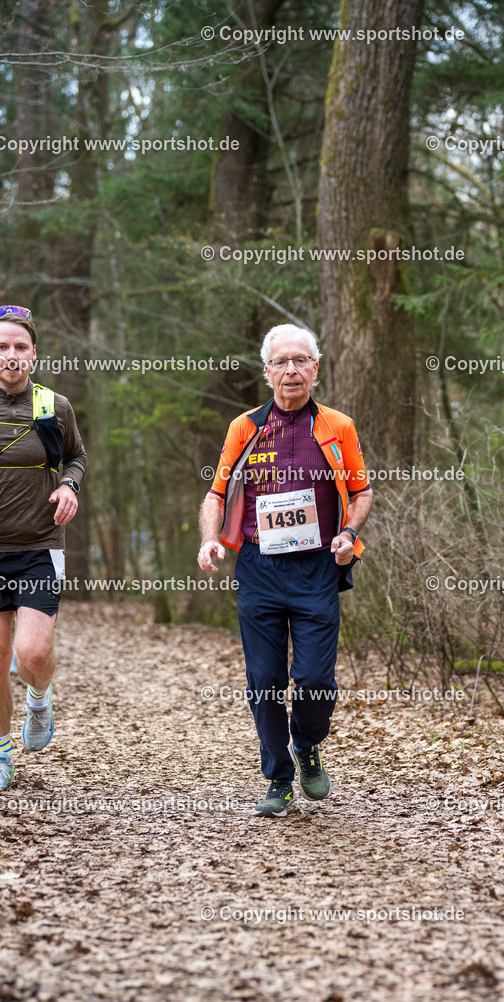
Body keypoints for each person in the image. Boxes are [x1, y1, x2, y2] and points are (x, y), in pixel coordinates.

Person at [198, 324, 372, 817]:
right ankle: (277, 777)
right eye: (281, 362)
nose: (291, 370)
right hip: (259, 568)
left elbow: (361, 492)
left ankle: (307, 743)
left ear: (316, 368)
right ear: (268, 371)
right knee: (264, 679)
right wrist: (211, 539)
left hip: (319, 567)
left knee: (316, 680)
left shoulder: (338, 425)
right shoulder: (245, 428)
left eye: (301, 360)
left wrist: (348, 534)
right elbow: (216, 493)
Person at [0, 304, 87, 791]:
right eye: (1, 347)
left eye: (20, 347)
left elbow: (76, 457)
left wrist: (69, 486)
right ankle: (1, 756)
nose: (11, 355)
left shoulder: (55, 407)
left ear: (34, 353)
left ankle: (40, 699)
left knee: (31, 651)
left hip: (39, 546)